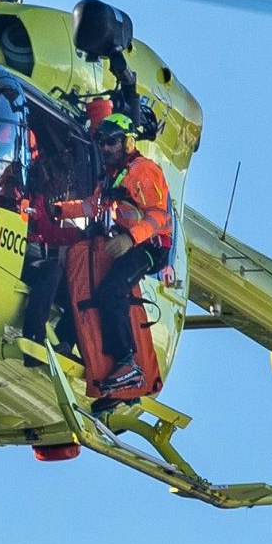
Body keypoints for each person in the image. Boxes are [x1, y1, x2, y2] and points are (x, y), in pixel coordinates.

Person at [77, 103, 173, 400]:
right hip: (128, 242)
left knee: (113, 289)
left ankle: (128, 360)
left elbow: (159, 217)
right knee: (90, 288)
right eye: (102, 142)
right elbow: (91, 206)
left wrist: (131, 239)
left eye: (112, 142)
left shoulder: (142, 171)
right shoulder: (110, 175)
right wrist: (57, 210)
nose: (105, 148)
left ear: (128, 142)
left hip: (151, 248)